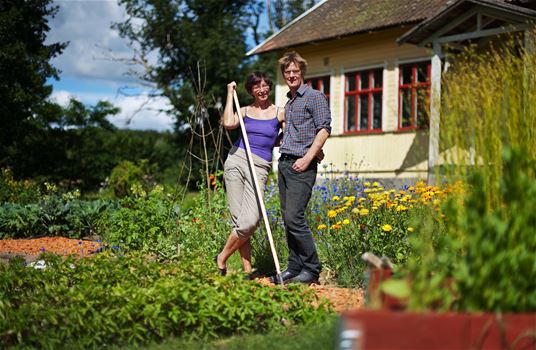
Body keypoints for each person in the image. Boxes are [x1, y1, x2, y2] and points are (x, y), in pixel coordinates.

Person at [215, 72, 285, 278]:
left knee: (250, 220)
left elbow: (285, 138)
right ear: (251, 91)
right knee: (240, 221)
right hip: (236, 160)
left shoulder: (280, 112)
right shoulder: (244, 110)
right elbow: (228, 123)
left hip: (260, 165)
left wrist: (275, 139)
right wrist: (230, 93)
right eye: (257, 87)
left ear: (269, 88)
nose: (262, 90)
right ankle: (248, 271)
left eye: (265, 86)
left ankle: (222, 257)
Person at [273, 51, 331, 285]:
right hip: (285, 162)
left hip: (301, 165)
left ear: (303, 73)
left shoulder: (315, 96)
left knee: (294, 217)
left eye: (295, 71)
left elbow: (324, 129)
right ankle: (294, 266)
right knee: (288, 219)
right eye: (287, 72)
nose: (291, 75)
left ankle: (312, 268)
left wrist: (308, 157)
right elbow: (295, 131)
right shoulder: (290, 101)